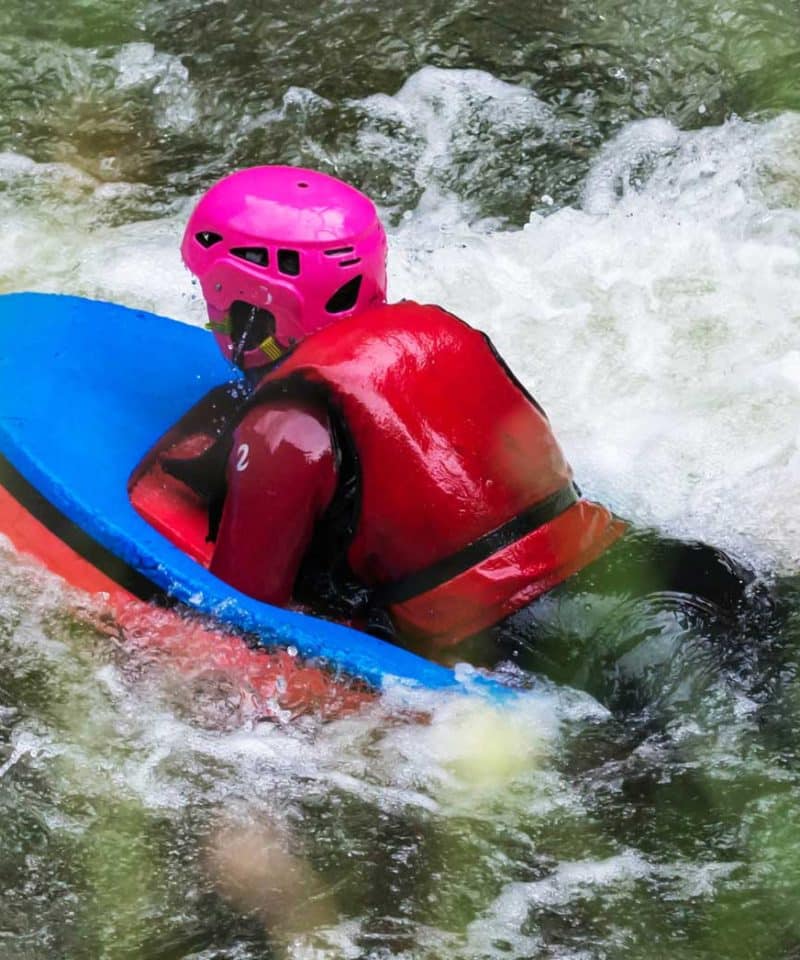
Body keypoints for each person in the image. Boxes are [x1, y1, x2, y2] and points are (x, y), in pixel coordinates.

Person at [131, 165, 763, 711]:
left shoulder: (285, 429)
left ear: (252, 298)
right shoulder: (448, 337)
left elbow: (244, 625)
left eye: (208, 292)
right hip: (679, 571)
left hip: (573, 652)